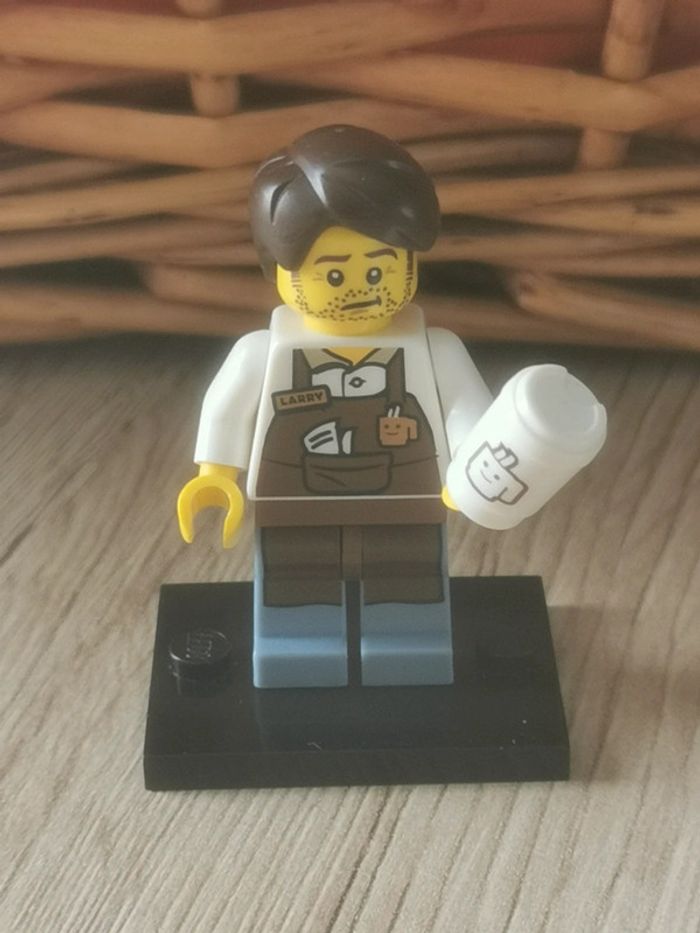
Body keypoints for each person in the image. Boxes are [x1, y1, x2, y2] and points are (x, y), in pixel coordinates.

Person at [176, 125, 605, 690]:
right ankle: (295, 642)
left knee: (405, 573)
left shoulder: (436, 350)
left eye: (378, 269)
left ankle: (409, 639)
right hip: (293, 495)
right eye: (334, 274)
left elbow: (467, 412)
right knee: (299, 574)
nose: (360, 287)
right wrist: (215, 474)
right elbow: (226, 407)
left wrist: (470, 467)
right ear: (276, 267)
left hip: (407, 493)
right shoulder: (263, 351)